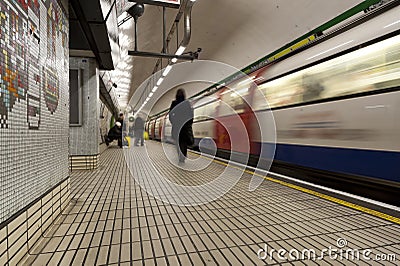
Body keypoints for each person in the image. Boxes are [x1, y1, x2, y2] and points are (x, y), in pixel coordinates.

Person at [169, 88, 194, 162]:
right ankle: (183, 155)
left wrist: (173, 122)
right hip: (185, 126)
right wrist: (189, 123)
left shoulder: (174, 103)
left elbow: (170, 114)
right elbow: (191, 114)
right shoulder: (187, 103)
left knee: (178, 142)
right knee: (184, 142)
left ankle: (180, 155)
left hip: (177, 126)